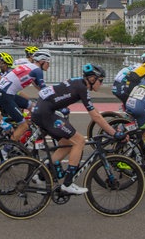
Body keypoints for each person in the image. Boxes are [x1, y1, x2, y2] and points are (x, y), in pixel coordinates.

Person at [31, 63, 126, 195]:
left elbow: (93, 111)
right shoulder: (82, 88)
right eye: (101, 81)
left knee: (67, 144)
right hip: (45, 113)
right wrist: (115, 133)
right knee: (80, 141)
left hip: (42, 111)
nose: (102, 84)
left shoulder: (77, 82)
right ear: (92, 79)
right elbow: (95, 116)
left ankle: (41, 175)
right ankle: (67, 184)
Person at [0, 49, 50, 142]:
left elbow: (39, 88)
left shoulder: (30, 66)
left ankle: (26, 134)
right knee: (23, 125)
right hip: (6, 96)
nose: (49, 65)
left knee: (31, 106)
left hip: (7, 94)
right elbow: (44, 90)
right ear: (42, 61)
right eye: (48, 62)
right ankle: (6, 151)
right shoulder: (37, 70)